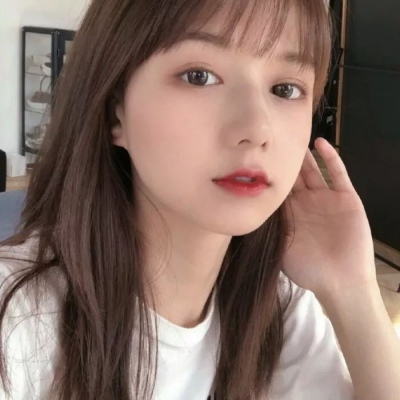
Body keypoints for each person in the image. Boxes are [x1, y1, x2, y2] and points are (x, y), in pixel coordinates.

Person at [0, 0, 399, 399]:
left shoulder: (277, 308)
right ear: (115, 112)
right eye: (199, 76)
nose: (257, 128)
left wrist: (353, 291)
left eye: (285, 89)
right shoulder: (18, 319)